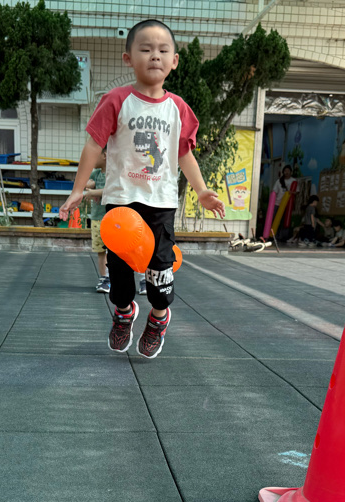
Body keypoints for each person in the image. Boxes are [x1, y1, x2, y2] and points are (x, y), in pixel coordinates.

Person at [59, 19, 225, 359]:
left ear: (174, 61)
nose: (155, 56)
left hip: (160, 203)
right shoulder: (117, 100)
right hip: (121, 201)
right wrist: (77, 189)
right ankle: (124, 313)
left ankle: (159, 317)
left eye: (163, 50)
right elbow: (93, 145)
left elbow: (183, 154)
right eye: (145, 49)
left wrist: (202, 190)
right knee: (119, 275)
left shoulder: (178, 108)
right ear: (128, 58)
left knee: (160, 271)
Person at [85, 148, 110, 293]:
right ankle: (104, 278)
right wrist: (89, 184)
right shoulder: (96, 174)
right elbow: (86, 183)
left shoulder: (113, 174)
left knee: (113, 251)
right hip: (97, 218)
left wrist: (94, 192)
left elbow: (111, 190)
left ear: (105, 155)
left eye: (95, 155)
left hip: (111, 219)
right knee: (101, 251)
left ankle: (113, 278)